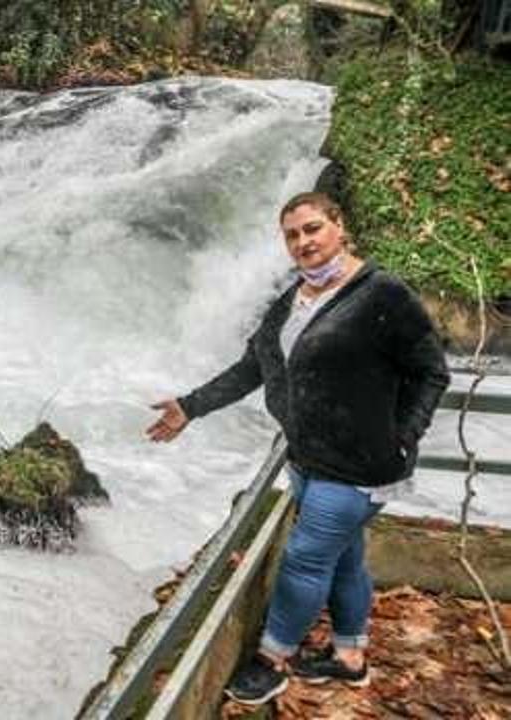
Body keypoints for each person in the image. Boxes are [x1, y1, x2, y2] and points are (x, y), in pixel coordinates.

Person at [145, 191, 450, 705]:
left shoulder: (382, 295)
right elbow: (253, 367)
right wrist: (190, 406)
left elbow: (431, 372)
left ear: (339, 226)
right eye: (292, 235)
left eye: (312, 228)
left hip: (359, 466)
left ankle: (272, 660)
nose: (303, 241)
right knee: (345, 558)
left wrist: (405, 436)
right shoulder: (293, 298)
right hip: (307, 458)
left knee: (305, 561)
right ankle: (349, 658)